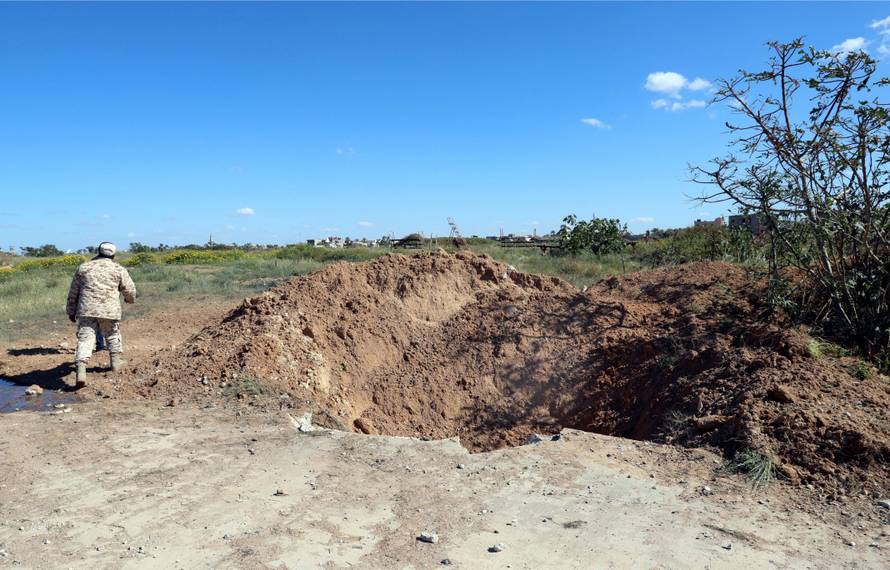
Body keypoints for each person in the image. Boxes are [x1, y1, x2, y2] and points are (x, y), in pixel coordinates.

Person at [65, 242, 137, 388]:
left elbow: (73, 292)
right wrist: (129, 300)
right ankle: (116, 363)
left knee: (85, 339)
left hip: (86, 310)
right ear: (114, 255)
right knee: (112, 335)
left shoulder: (84, 268)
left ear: (97, 252)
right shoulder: (118, 269)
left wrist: (71, 310)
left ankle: (81, 371)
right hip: (109, 310)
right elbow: (129, 290)